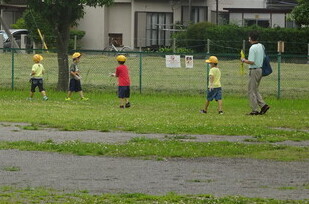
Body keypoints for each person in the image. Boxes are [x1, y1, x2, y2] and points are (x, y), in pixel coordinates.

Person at [241, 31, 270, 115]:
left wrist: (243, 60)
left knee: (251, 90)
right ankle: (263, 105)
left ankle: (255, 110)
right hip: (260, 69)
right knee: (255, 89)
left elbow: (252, 61)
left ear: (250, 38)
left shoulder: (252, 48)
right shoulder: (261, 46)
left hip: (254, 70)